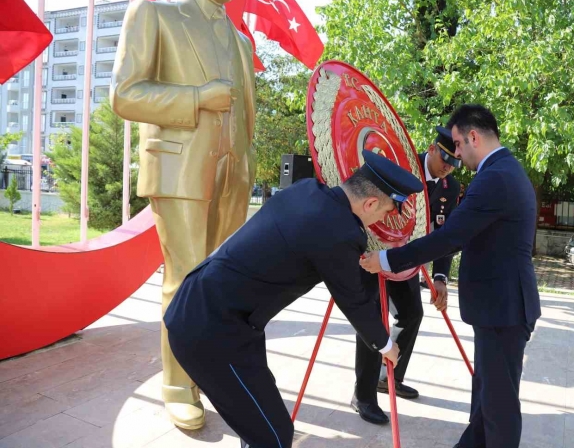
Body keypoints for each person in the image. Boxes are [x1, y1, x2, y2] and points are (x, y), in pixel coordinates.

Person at [164, 150, 422, 448]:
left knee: (261, 423)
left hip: (216, 309)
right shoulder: (339, 232)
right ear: (371, 202)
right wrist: (386, 345)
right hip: (213, 330)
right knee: (274, 437)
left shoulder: (306, 190)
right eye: (387, 211)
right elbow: (354, 300)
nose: (383, 219)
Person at [111, 0, 257, 429]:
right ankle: (177, 384)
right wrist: (196, 98)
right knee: (187, 275)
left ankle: (209, 374)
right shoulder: (155, 15)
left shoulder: (241, 40)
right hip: (179, 166)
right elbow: (125, 94)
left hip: (233, 173)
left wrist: (246, 161)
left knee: (221, 282)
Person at [361, 104, 542, 448]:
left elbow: (449, 237)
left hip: (503, 309)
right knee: (487, 402)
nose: (456, 153)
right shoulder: (503, 170)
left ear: (474, 136)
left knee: (498, 409)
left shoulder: (495, 177)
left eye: (458, 144)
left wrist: (386, 259)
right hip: (500, 307)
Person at [352, 126, 461, 425]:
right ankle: (363, 395)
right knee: (373, 321)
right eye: (445, 158)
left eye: (455, 163)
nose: (448, 167)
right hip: (374, 253)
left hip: (405, 259)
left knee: (412, 313)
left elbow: (444, 234)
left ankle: (389, 378)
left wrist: (440, 277)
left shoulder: (450, 188)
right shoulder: (401, 162)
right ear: (432, 147)